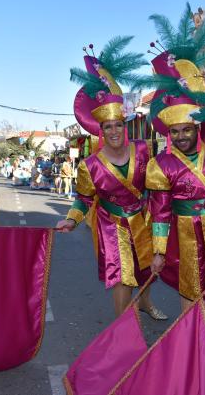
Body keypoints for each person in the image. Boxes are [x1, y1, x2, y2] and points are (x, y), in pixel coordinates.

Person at [56, 36, 166, 320]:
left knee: (145, 270)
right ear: (101, 129)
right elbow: (83, 199)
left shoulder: (144, 150)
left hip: (142, 219)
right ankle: (124, 328)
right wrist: (71, 218)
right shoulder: (89, 165)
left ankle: (145, 303)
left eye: (118, 125)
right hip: (111, 224)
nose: (114, 131)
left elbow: (157, 185)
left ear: (124, 126)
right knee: (122, 276)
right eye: (108, 126)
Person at [143, 48, 205, 313]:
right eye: (175, 131)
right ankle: (195, 342)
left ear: (197, 128)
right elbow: (160, 212)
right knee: (191, 292)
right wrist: (158, 251)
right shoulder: (161, 165)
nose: (181, 137)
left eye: (186, 130)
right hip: (185, 235)